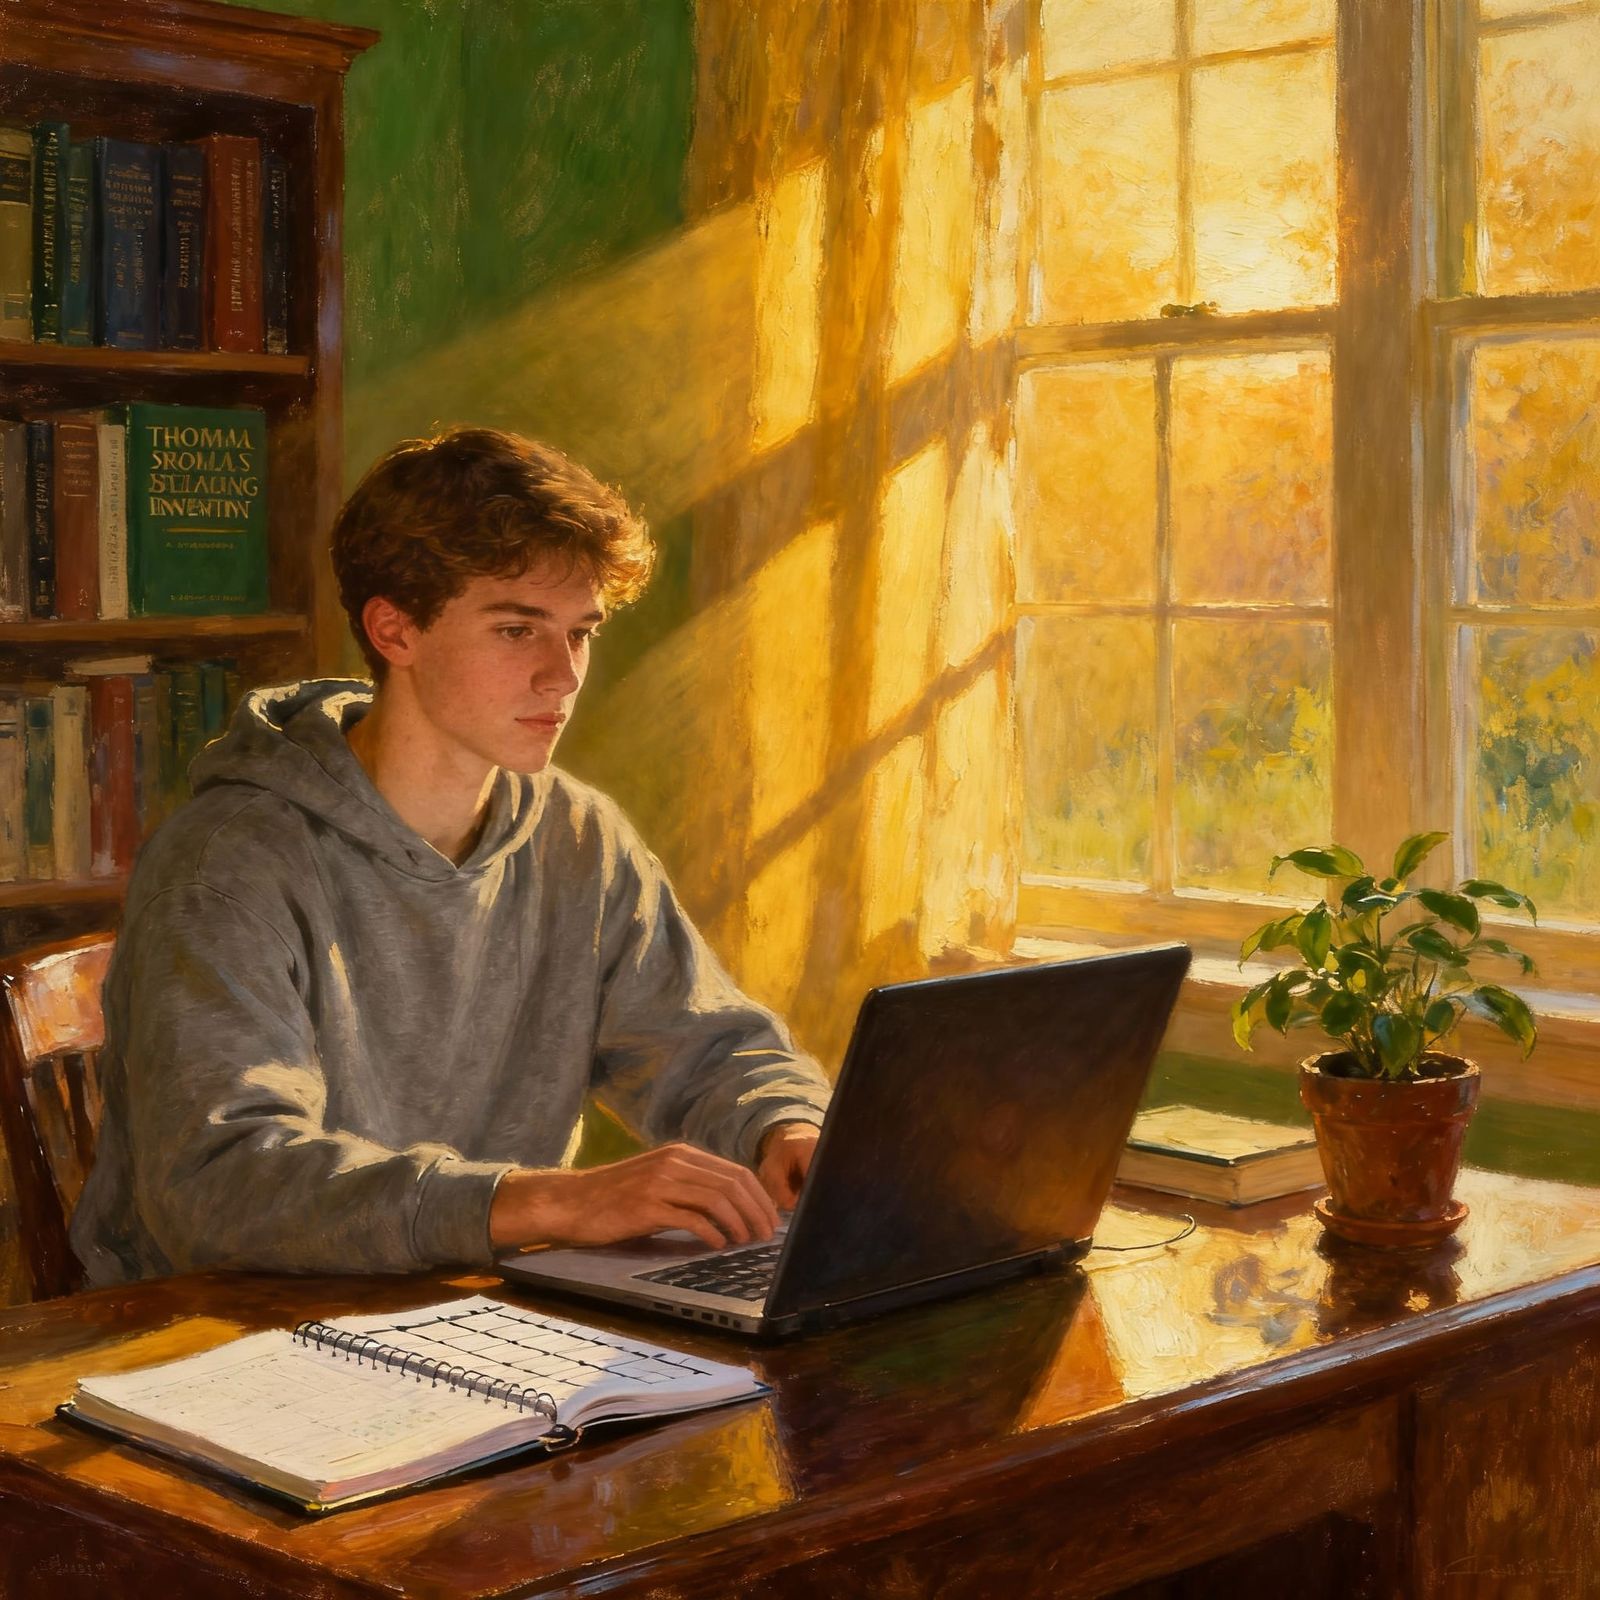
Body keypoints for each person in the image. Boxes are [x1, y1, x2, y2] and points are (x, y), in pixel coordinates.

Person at [72, 427, 831, 1286]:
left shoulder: (578, 837)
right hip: (220, 1325)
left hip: (475, 1304)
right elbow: (222, 1189)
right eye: (517, 630)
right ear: (395, 630)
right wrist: (545, 1202)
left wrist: (785, 1126)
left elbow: (702, 1045)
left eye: (580, 632)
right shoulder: (228, 861)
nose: (563, 676)